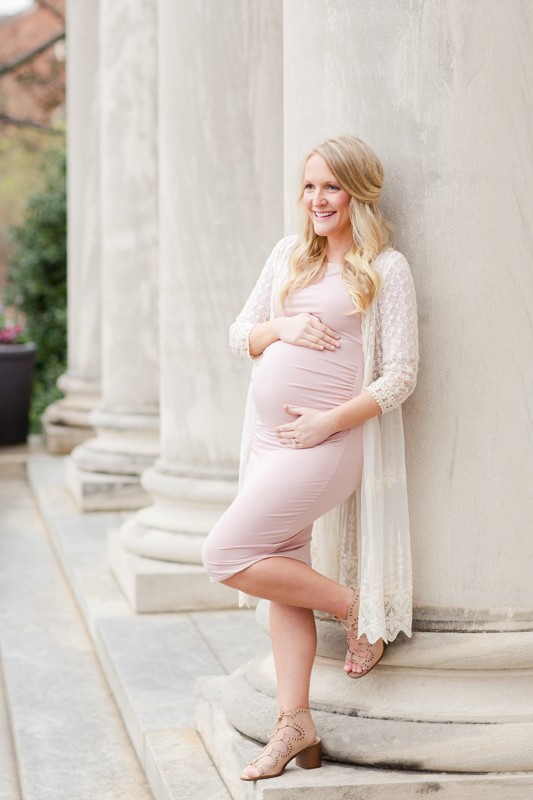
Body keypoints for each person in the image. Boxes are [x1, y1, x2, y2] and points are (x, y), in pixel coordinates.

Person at [202, 135, 419, 781]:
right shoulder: (288, 255)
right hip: (268, 443)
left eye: (332, 187)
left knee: (226, 555)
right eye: (309, 186)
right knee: (280, 572)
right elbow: (241, 333)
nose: (318, 199)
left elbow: (401, 375)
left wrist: (328, 420)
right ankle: (294, 724)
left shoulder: (387, 267)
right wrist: (282, 329)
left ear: (359, 193)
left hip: (325, 444)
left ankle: (358, 608)